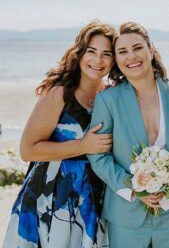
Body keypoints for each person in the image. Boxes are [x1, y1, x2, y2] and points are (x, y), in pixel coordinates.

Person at [3, 21, 115, 248]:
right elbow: (27, 150)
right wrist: (82, 146)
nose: (98, 60)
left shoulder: (112, 93)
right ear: (80, 53)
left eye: (106, 54)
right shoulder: (59, 92)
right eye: (91, 52)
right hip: (51, 197)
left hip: (94, 197)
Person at [88, 22, 169, 248]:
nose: (131, 56)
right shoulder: (108, 100)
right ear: (116, 59)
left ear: (150, 49)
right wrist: (134, 188)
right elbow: (98, 156)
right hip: (126, 216)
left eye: (137, 48)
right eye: (122, 52)